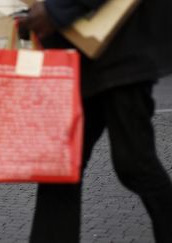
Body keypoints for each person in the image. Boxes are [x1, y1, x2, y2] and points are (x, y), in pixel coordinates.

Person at [18, 1, 172, 242]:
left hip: (120, 52)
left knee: (135, 164)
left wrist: (55, 9)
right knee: (60, 171)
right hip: (82, 54)